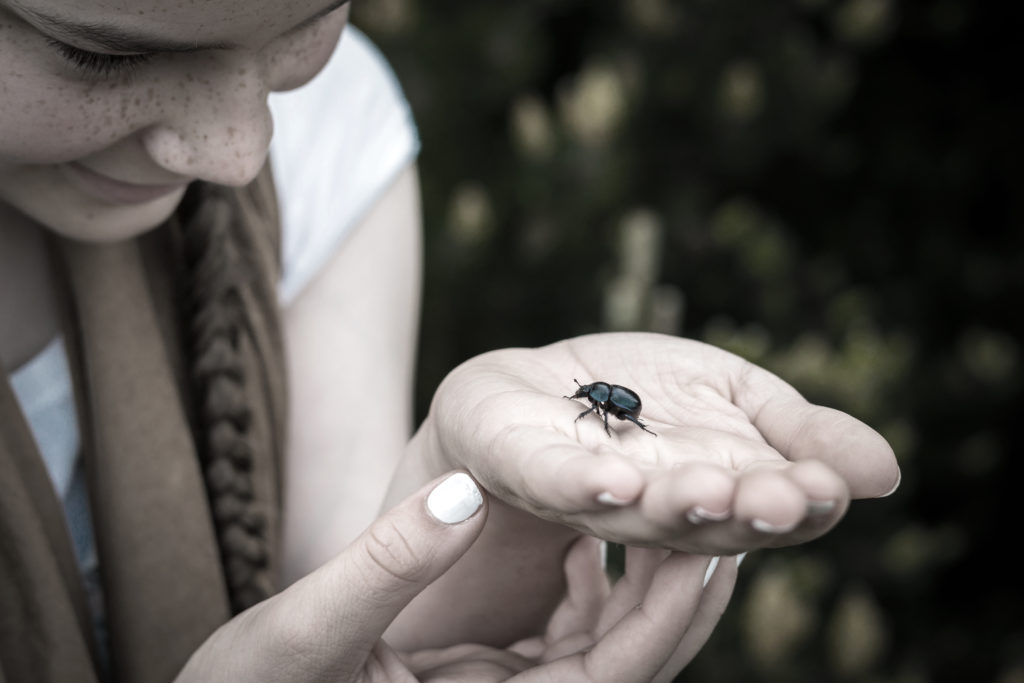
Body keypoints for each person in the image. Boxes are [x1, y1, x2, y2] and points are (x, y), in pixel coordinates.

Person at [0, 1, 901, 681]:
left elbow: (349, 617)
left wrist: (480, 512)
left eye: (310, 21)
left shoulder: (329, 137)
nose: (239, 154)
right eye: (97, 54)